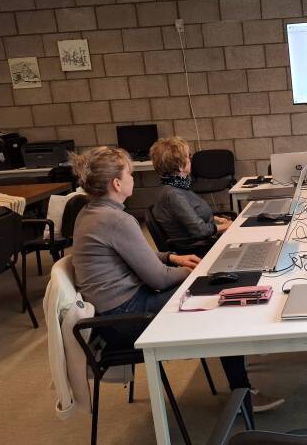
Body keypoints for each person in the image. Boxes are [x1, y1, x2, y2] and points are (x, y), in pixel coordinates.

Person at [70, 147, 282, 412]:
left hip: (109, 315)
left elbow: (136, 252)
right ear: (117, 183)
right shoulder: (117, 220)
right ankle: (243, 396)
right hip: (125, 317)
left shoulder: (90, 212)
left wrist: (172, 257)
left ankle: (242, 377)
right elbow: (158, 279)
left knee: (214, 287)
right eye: (130, 174)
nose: (133, 179)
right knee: (218, 301)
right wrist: (197, 272)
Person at [149, 137, 231, 246]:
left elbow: (189, 214)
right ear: (180, 166)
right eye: (188, 156)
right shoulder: (173, 194)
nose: (190, 159)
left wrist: (216, 219)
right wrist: (229, 226)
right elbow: (200, 231)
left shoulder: (176, 185)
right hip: (200, 245)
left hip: (206, 237)